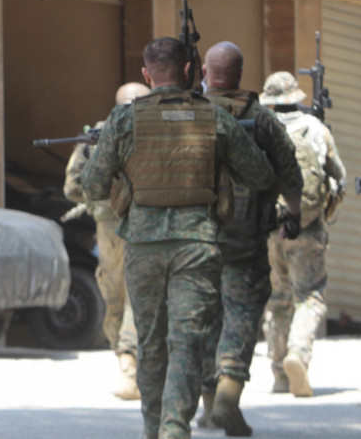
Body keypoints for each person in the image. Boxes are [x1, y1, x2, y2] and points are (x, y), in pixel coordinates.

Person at [80, 37, 275, 439]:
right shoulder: (215, 117)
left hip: (143, 248)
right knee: (187, 342)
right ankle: (174, 429)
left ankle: (153, 429)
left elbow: (93, 185)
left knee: (151, 343)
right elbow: (260, 175)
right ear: (189, 71)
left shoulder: (123, 120)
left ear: (146, 74)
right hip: (197, 246)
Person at [197, 44, 303, 436]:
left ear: (205, 72)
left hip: (196, 241)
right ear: (240, 74)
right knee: (241, 318)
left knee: (205, 319)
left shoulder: (190, 113)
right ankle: (228, 399)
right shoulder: (261, 119)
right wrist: (293, 215)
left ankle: (209, 407)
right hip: (246, 239)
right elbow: (290, 174)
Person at [258, 70, 347, 400]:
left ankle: (280, 373)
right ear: (296, 96)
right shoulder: (315, 128)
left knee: (277, 297)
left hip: (270, 229)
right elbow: (339, 176)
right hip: (307, 227)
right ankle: (298, 352)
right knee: (309, 295)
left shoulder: (260, 129)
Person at [62, 80, 150, 401]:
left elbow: (73, 188)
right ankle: (130, 363)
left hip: (113, 226)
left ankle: (127, 363)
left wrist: (103, 193)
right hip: (146, 223)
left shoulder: (98, 135)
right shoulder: (158, 130)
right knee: (135, 294)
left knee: (119, 293)